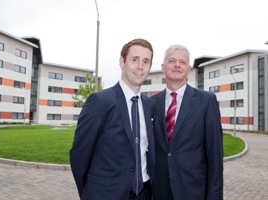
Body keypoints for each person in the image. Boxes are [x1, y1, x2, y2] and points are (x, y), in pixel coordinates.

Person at [70, 38, 157, 200]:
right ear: (122, 62)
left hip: (144, 194)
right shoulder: (100, 102)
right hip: (106, 194)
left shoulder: (150, 106)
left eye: (146, 61)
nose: (140, 67)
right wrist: (89, 193)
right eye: (134, 60)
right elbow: (79, 154)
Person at [151, 44, 223, 200]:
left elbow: (215, 155)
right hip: (158, 192)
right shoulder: (150, 104)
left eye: (182, 62)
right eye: (172, 61)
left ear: (188, 69)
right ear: (163, 67)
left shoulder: (207, 101)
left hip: (194, 191)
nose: (177, 65)